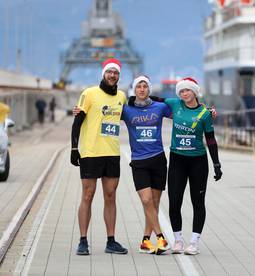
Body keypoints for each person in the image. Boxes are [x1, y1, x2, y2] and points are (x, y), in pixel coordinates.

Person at [138, 77, 222, 255]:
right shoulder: (175, 104)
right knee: (175, 202)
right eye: (181, 91)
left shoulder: (205, 114)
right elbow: (154, 99)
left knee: (197, 202)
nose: (184, 94)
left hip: (198, 161)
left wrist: (216, 164)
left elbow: (211, 140)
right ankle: (177, 240)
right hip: (177, 160)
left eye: (187, 91)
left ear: (195, 92)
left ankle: (194, 242)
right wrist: (134, 99)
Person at [70, 58, 128, 255]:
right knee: (88, 195)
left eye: (116, 73)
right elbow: (77, 122)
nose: (113, 75)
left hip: (112, 153)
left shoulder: (121, 96)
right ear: (104, 73)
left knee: (110, 196)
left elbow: (136, 109)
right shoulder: (89, 94)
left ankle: (111, 241)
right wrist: (73, 149)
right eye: (109, 72)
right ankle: (83, 240)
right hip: (91, 153)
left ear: (119, 76)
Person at [121, 75, 172, 255]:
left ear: (149, 89)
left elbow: (183, 113)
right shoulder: (126, 110)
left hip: (158, 159)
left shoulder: (160, 107)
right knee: (146, 200)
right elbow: (105, 114)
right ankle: (160, 237)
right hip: (139, 161)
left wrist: (206, 111)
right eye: (138, 87)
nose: (141, 89)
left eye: (145, 86)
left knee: (155, 203)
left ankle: (145, 241)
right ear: (134, 90)